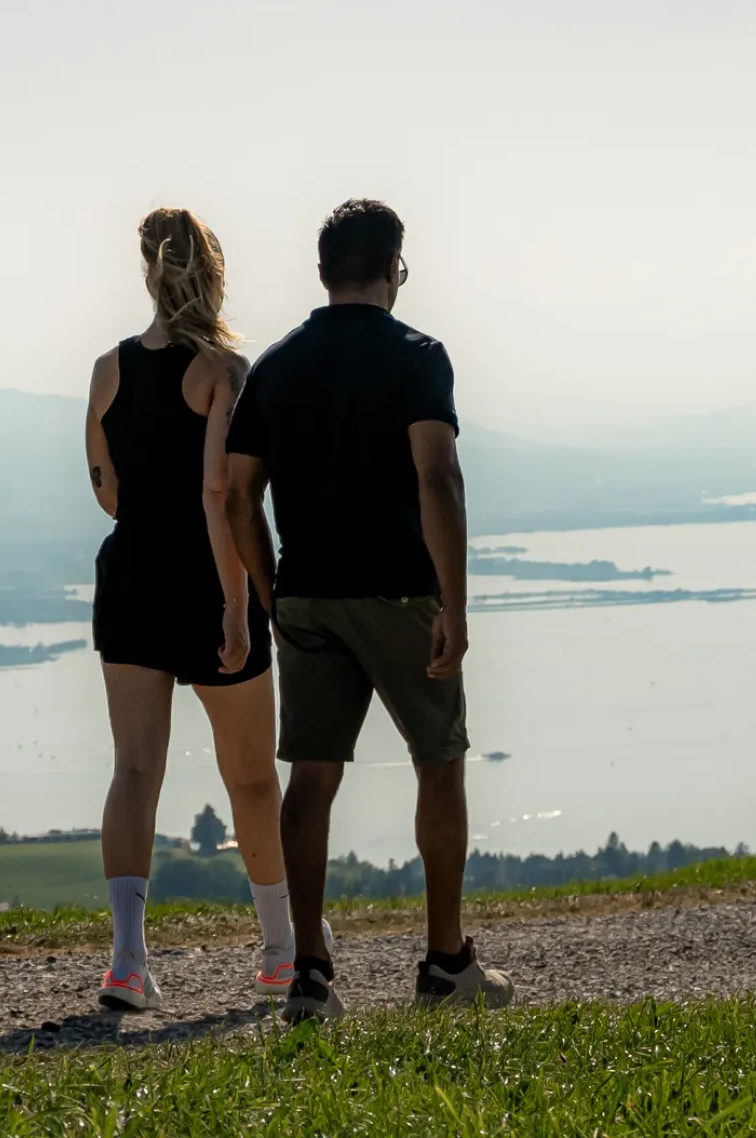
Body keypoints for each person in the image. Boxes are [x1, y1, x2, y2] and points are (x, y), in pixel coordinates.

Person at [225, 199, 514, 1022]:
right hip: (399, 593)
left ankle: (310, 974)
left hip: (308, 594)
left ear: (322, 272)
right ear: (396, 268)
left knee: (310, 779)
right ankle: (446, 965)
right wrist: (453, 604)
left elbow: (239, 496)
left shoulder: (276, 364)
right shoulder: (418, 356)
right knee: (439, 762)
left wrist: (270, 589)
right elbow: (438, 478)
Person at [83, 207, 299, 1010]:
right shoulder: (223, 372)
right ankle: (280, 950)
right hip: (208, 587)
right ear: (213, 272)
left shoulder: (107, 368)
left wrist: (143, 512)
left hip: (130, 578)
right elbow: (222, 497)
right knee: (250, 777)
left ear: (148, 271)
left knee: (134, 771)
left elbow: (104, 488)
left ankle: (127, 964)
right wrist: (238, 612)